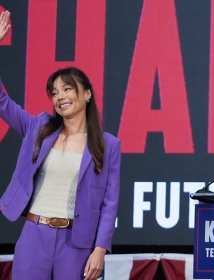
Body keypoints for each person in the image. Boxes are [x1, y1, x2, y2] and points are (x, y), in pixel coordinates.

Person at [0, 11, 121, 280]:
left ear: (87, 94)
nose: (60, 96)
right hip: (34, 234)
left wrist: (100, 249)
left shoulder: (107, 144)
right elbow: (2, 102)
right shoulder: (39, 128)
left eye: (67, 89)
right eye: (54, 92)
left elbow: (110, 203)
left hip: (76, 243)